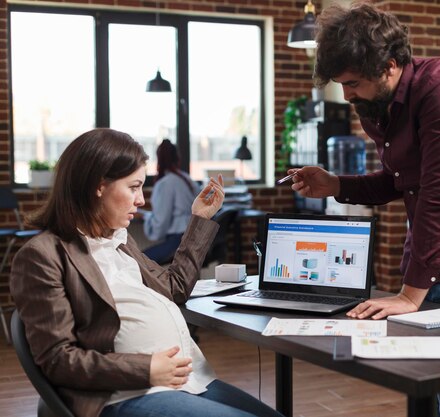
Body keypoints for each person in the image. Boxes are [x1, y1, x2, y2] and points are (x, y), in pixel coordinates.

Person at [289, 3, 440, 417]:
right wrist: (336, 185)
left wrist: (410, 296)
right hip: (431, 259)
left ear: (391, 65)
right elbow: (398, 181)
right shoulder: (376, 106)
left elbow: (438, 194)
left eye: (353, 83)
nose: (347, 95)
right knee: (425, 386)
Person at [10, 128, 284, 417]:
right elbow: (57, 360)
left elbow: (175, 286)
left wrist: (200, 219)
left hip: (190, 382)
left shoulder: (119, 240)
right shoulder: (43, 256)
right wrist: (147, 369)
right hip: (121, 395)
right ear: (98, 185)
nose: (141, 200)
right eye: (133, 187)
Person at [142, 139, 200, 264]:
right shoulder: (186, 178)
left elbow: (161, 223)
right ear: (177, 158)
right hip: (192, 239)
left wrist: (146, 217)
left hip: (178, 241)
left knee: (138, 261)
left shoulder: (166, 184)